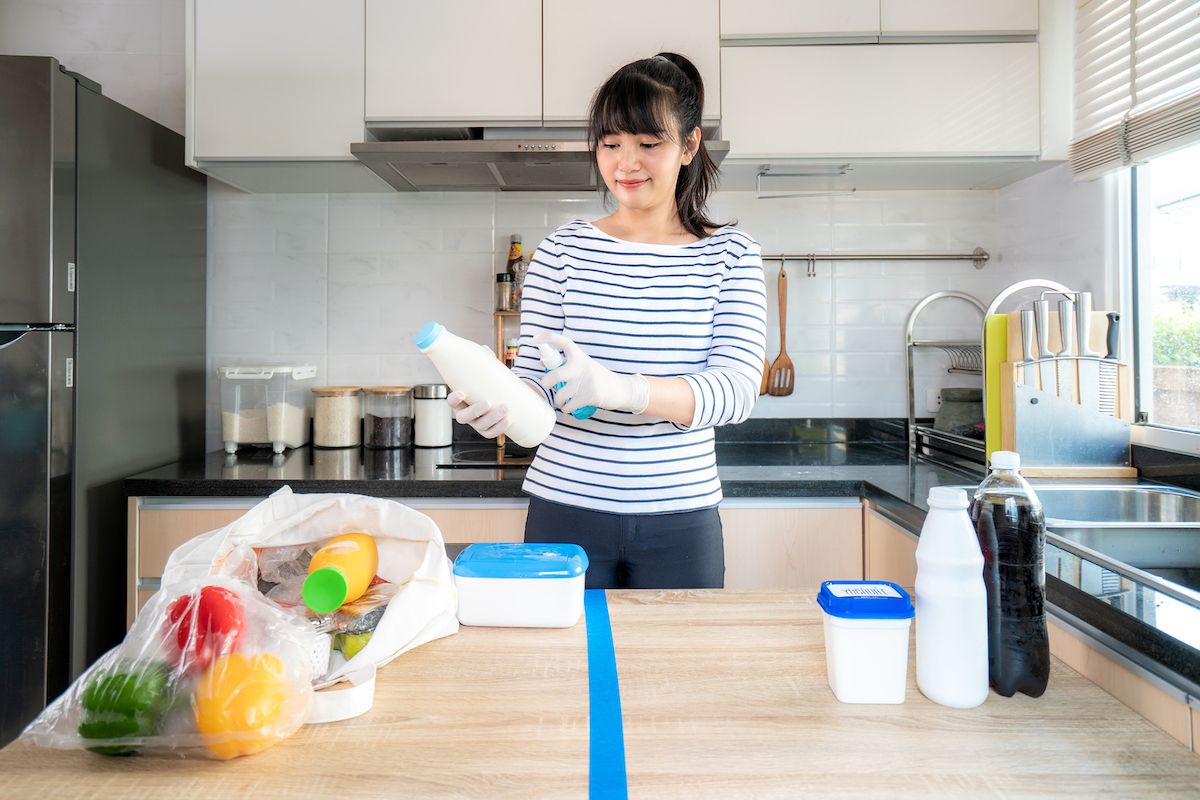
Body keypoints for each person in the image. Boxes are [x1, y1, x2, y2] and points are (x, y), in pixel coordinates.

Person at [448, 53, 767, 589]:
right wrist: (496, 406)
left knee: (677, 669)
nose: (626, 163)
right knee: (562, 667)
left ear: (688, 146)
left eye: (649, 144)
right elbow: (536, 392)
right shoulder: (560, 252)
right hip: (564, 508)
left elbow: (735, 392)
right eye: (611, 143)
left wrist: (621, 390)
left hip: (681, 517)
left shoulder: (731, 255)